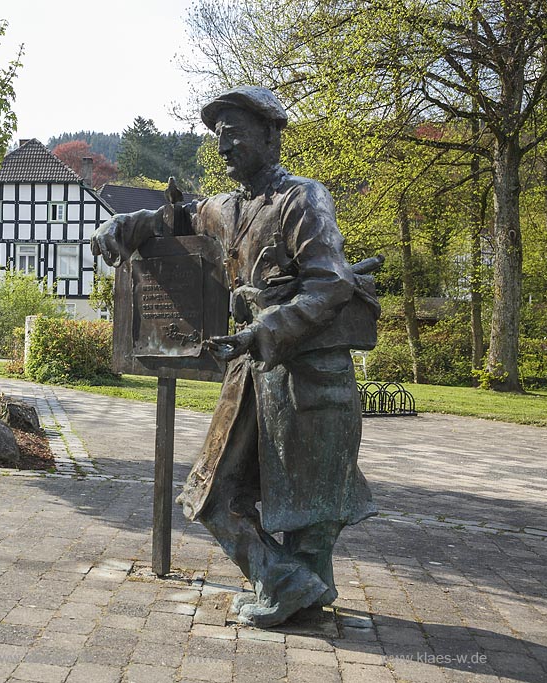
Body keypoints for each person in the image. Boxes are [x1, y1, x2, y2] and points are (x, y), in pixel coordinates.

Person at [91, 86, 378, 627]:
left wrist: (265, 328)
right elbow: (177, 216)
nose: (224, 145)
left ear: (271, 135)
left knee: (311, 503)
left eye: (236, 132)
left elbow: (330, 284)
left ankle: (300, 589)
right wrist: (124, 223)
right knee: (212, 494)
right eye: (218, 136)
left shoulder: (302, 199)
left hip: (306, 372)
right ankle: (287, 581)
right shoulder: (229, 209)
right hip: (250, 371)